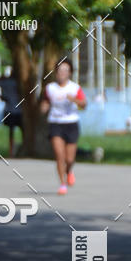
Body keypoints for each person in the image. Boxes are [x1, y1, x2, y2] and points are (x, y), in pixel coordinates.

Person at [40, 58, 87, 195]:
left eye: (65, 70)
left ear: (70, 73)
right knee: (59, 155)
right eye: (60, 70)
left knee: (69, 159)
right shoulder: (50, 88)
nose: (62, 73)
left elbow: (84, 104)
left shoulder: (74, 88)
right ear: (56, 72)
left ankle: (69, 170)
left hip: (71, 123)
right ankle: (62, 184)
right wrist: (44, 107)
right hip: (55, 123)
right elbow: (46, 102)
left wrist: (75, 100)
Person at [0, 67, 23, 157]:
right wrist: (1, 96)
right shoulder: (10, 82)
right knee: (13, 131)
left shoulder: (19, 82)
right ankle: (12, 152)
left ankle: (17, 150)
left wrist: (0, 96)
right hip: (11, 109)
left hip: (16, 109)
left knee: (18, 130)